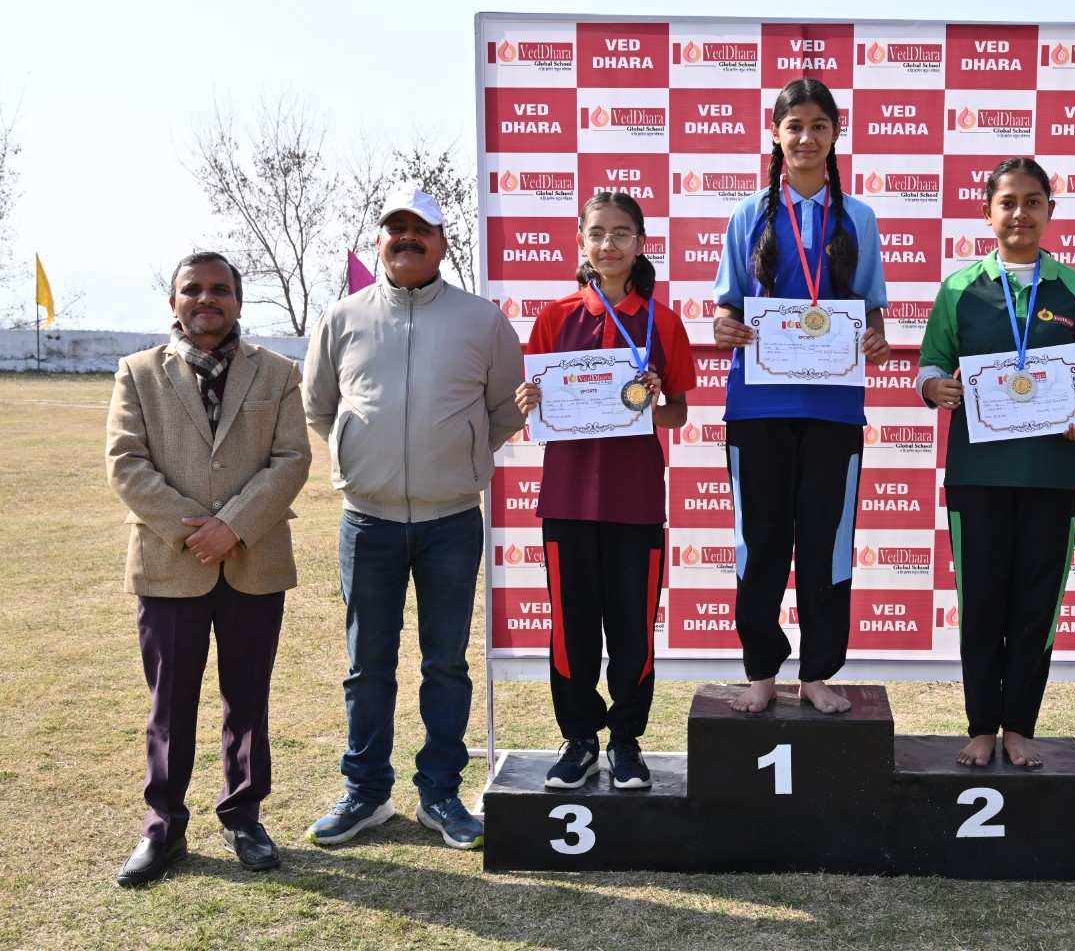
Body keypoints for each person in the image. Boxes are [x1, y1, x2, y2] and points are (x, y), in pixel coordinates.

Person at [302, 184, 526, 850]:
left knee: (445, 665)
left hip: (451, 521)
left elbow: (505, 410)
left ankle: (440, 793)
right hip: (366, 522)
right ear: (378, 240)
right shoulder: (342, 317)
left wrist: (458, 455)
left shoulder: (482, 320)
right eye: (395, 227)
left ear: (442, 243)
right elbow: (319, 406)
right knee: (366, 665)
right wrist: (360, 455)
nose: (406, 238)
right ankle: (366, 793)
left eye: (420, 229)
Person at [106, 252, 311, 886]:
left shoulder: (278, 373)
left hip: (255, 561)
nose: (206, 299)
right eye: (192, 289)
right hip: (170, 563)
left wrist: (234, 526)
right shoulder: (138, 372)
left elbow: (292, 459)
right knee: (170, 703)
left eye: (219, 289)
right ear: (173, 302)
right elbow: (126, 463)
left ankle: (244, 816)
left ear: (238, 301)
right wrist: (198, 531)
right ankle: (163, 826)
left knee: (247, 699)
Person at [914, 158, 1075, 769]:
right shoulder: (958, 288)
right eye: (1008, 202)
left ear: (1050, 210)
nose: (1020, 213)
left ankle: (1020, 727)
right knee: (981, 605)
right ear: (987, 212)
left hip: (1053, 475)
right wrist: (934, 388)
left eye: (1032, 201)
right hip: (977, 475)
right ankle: (981, 726)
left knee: (1036, 608)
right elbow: (931, 363)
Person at [712, 78, 891, 715]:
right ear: (775, 133)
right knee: (759, 543)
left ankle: (818, 672)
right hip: (757, 408)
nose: (807, 138)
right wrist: (724, 327)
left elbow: (871, 310)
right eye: (795, 126)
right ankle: (761, 670)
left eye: (819, 126)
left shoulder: (858, 218)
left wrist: (876, 339)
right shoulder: (747, 215)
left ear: (836, 134)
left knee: (827, 545)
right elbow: (728, 308)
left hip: (833, 410)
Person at [515, 192, 695, 790]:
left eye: (621, 233)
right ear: (581, 242)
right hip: (566, 500)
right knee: (571, 629)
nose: (608, 244)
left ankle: (625, 740)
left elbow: (677, 413)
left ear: (640, 243)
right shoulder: (555, 316)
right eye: (597, 233)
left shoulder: (663, 320)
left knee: (632, 630)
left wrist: (651, 401)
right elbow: (538, 407)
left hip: (635, 502)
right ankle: (579, 739)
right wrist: (530, 400)